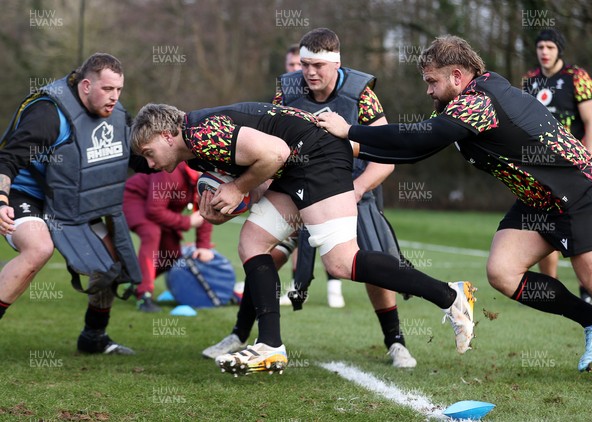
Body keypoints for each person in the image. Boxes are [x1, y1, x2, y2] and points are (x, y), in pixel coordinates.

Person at [318, 35, 592, 373]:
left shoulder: (479, 102)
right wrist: (353, 146)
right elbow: (417, 150)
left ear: (456, 75)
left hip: (578, 192)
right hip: (538, 200)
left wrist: (350, 130)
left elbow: (418, 138)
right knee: (503, 271)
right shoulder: (467, 101)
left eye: (432, 81)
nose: (428, 91)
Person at [130, 102, 476, 376]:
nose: (148, 164)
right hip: (298, 163)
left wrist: (236, 189)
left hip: (318, 155)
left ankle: (450, 294)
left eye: (148, 152)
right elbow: (264, 175)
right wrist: (225, 208)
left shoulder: (201, 133)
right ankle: (270, 347)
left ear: (166, 135)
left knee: (342, 261)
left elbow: (275, 154)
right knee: (252, 242)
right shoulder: (197, 146)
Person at [202, 27, 418, 369]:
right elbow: (266, 144)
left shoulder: (361, 94)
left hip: (350, 190)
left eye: (318, 65)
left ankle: (396, 341)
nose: (310, 72)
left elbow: (386, 153)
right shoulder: (286, 91)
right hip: (295, 188)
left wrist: (358, 188)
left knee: (368, 263)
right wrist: (251, 188)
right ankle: (240, 334)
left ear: (336, 63)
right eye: (304, 64)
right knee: (265, 255)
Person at [0, 53, 150, 354]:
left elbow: (136, 158)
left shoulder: (115, 114)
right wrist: (1, 198)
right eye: (107, 89)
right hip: (25, 194)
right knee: (39, 248)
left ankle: (93, 337)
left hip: (72, 202)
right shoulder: (48, 114)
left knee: (111, 262)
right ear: (85, 86)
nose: (114, 97)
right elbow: (7, 159)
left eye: (119, 90)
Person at [522, 28, 592, 304]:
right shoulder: (529, 81)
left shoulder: (577, 77)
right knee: (546, 224)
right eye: (540, 46)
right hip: (541, 169)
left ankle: (587, 288)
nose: (544, 51)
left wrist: (587, 162)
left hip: (575, 167)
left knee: (581, 229)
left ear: (559, 51)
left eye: (550, 47)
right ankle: (553, 290)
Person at [123, 162, 214, 312]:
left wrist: (203, 246)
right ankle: (144, 295)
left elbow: (205, 212)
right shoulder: (170, 171)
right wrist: (187, 222)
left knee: (172, 253)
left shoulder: (206, 181)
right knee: (151, 232)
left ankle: (135, 281)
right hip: (134, 199)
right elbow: (153, 210)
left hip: (160, 208)